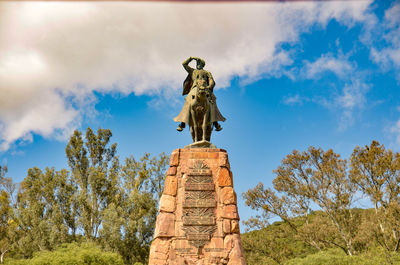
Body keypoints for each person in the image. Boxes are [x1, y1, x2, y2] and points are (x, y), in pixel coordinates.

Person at [174, 57, 226, 132]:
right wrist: (191, 58)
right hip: (195, 88)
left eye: (199, 63)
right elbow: (184, 64)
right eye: (197, 63)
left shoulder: (207, 72)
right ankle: (183, 122)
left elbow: (211, 81)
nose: (197, 65)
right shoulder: (193, 71)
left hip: (205, 88)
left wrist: (209, 86)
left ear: (202, 65)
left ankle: (215, 122)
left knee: (213, 99)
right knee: (188, 100)